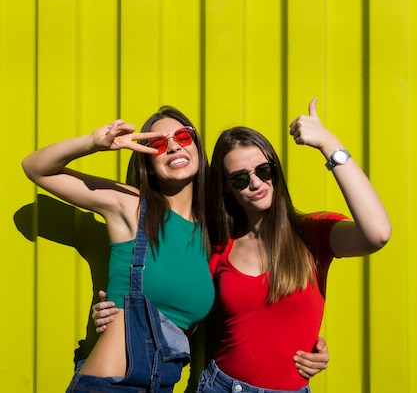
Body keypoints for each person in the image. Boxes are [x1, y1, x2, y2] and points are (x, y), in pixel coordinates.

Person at [194, 98, 391, 393]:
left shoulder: (313, 234)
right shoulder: (220, 245)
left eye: (264, 171)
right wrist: (118, 308)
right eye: (239, 178)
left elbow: (377, 233)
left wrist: (328, 143)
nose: (256, 183)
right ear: (225, 187)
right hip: (221, 386)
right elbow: (177, 304)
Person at [22, 106, 216, 392]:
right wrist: (92, 143)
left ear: (197, 147)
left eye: (183, 137)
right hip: (113, 384)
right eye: (159, 144)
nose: (173, 147)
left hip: (163, 384)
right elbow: (36, 168)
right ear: (148, 163)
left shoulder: (211, 232)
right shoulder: (131, 206)